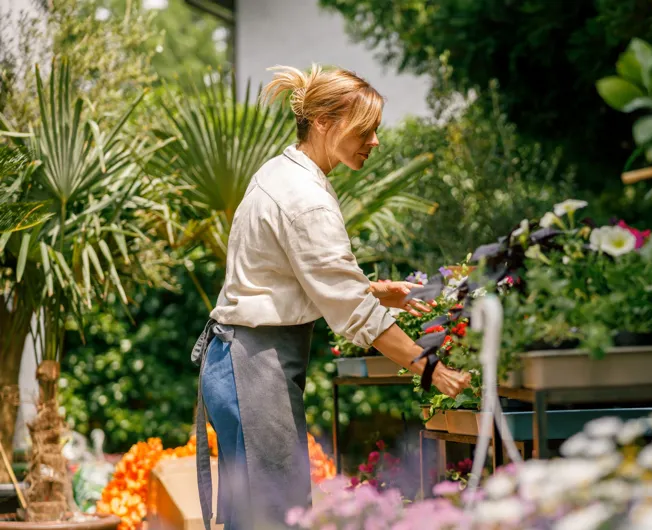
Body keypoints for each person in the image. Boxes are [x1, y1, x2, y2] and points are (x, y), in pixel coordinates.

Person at [189, 64, 472, 530]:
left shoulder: (282, 172)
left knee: (260, 516)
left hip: (239, 360)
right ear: (323, 122)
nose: (375, 140)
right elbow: (353, 312)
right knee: (274, 517)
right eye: (367, 129)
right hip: (254, 368)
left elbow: (284, 274)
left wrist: (375, 289)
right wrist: (431, 369)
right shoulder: (306, 198)